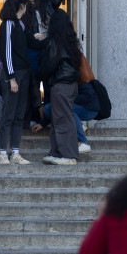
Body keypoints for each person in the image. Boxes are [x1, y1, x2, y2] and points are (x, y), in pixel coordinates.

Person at [37, 9, 81, 165]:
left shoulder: (56, 42)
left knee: (62, 119)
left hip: (61, 84)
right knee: (59, 119)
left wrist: (38, 74)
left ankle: (68, 156)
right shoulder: (71, 42)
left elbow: (49, 65)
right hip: (70, 85)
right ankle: (56, 153)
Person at [0, 0, 31, 165]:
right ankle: (2, 152)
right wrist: (11, 78)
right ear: (21, 6)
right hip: (13, 74)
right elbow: (6, 53)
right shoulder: (8, 24)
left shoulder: (20, 24)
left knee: (19, 114)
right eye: (25, 5)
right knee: (8, 114)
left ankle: (15, 151)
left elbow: (28, 44)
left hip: (24, 73)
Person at [33, 80, 100, 153]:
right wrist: (42, 124)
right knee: (48, 108)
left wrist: (67, 100)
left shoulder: (78, 77)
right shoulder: (60, 79)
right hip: (75, 106)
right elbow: (56, 108)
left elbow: (89, 95)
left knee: (66, 110)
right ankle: (78, 125)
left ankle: (83, 142)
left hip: (89, 109)